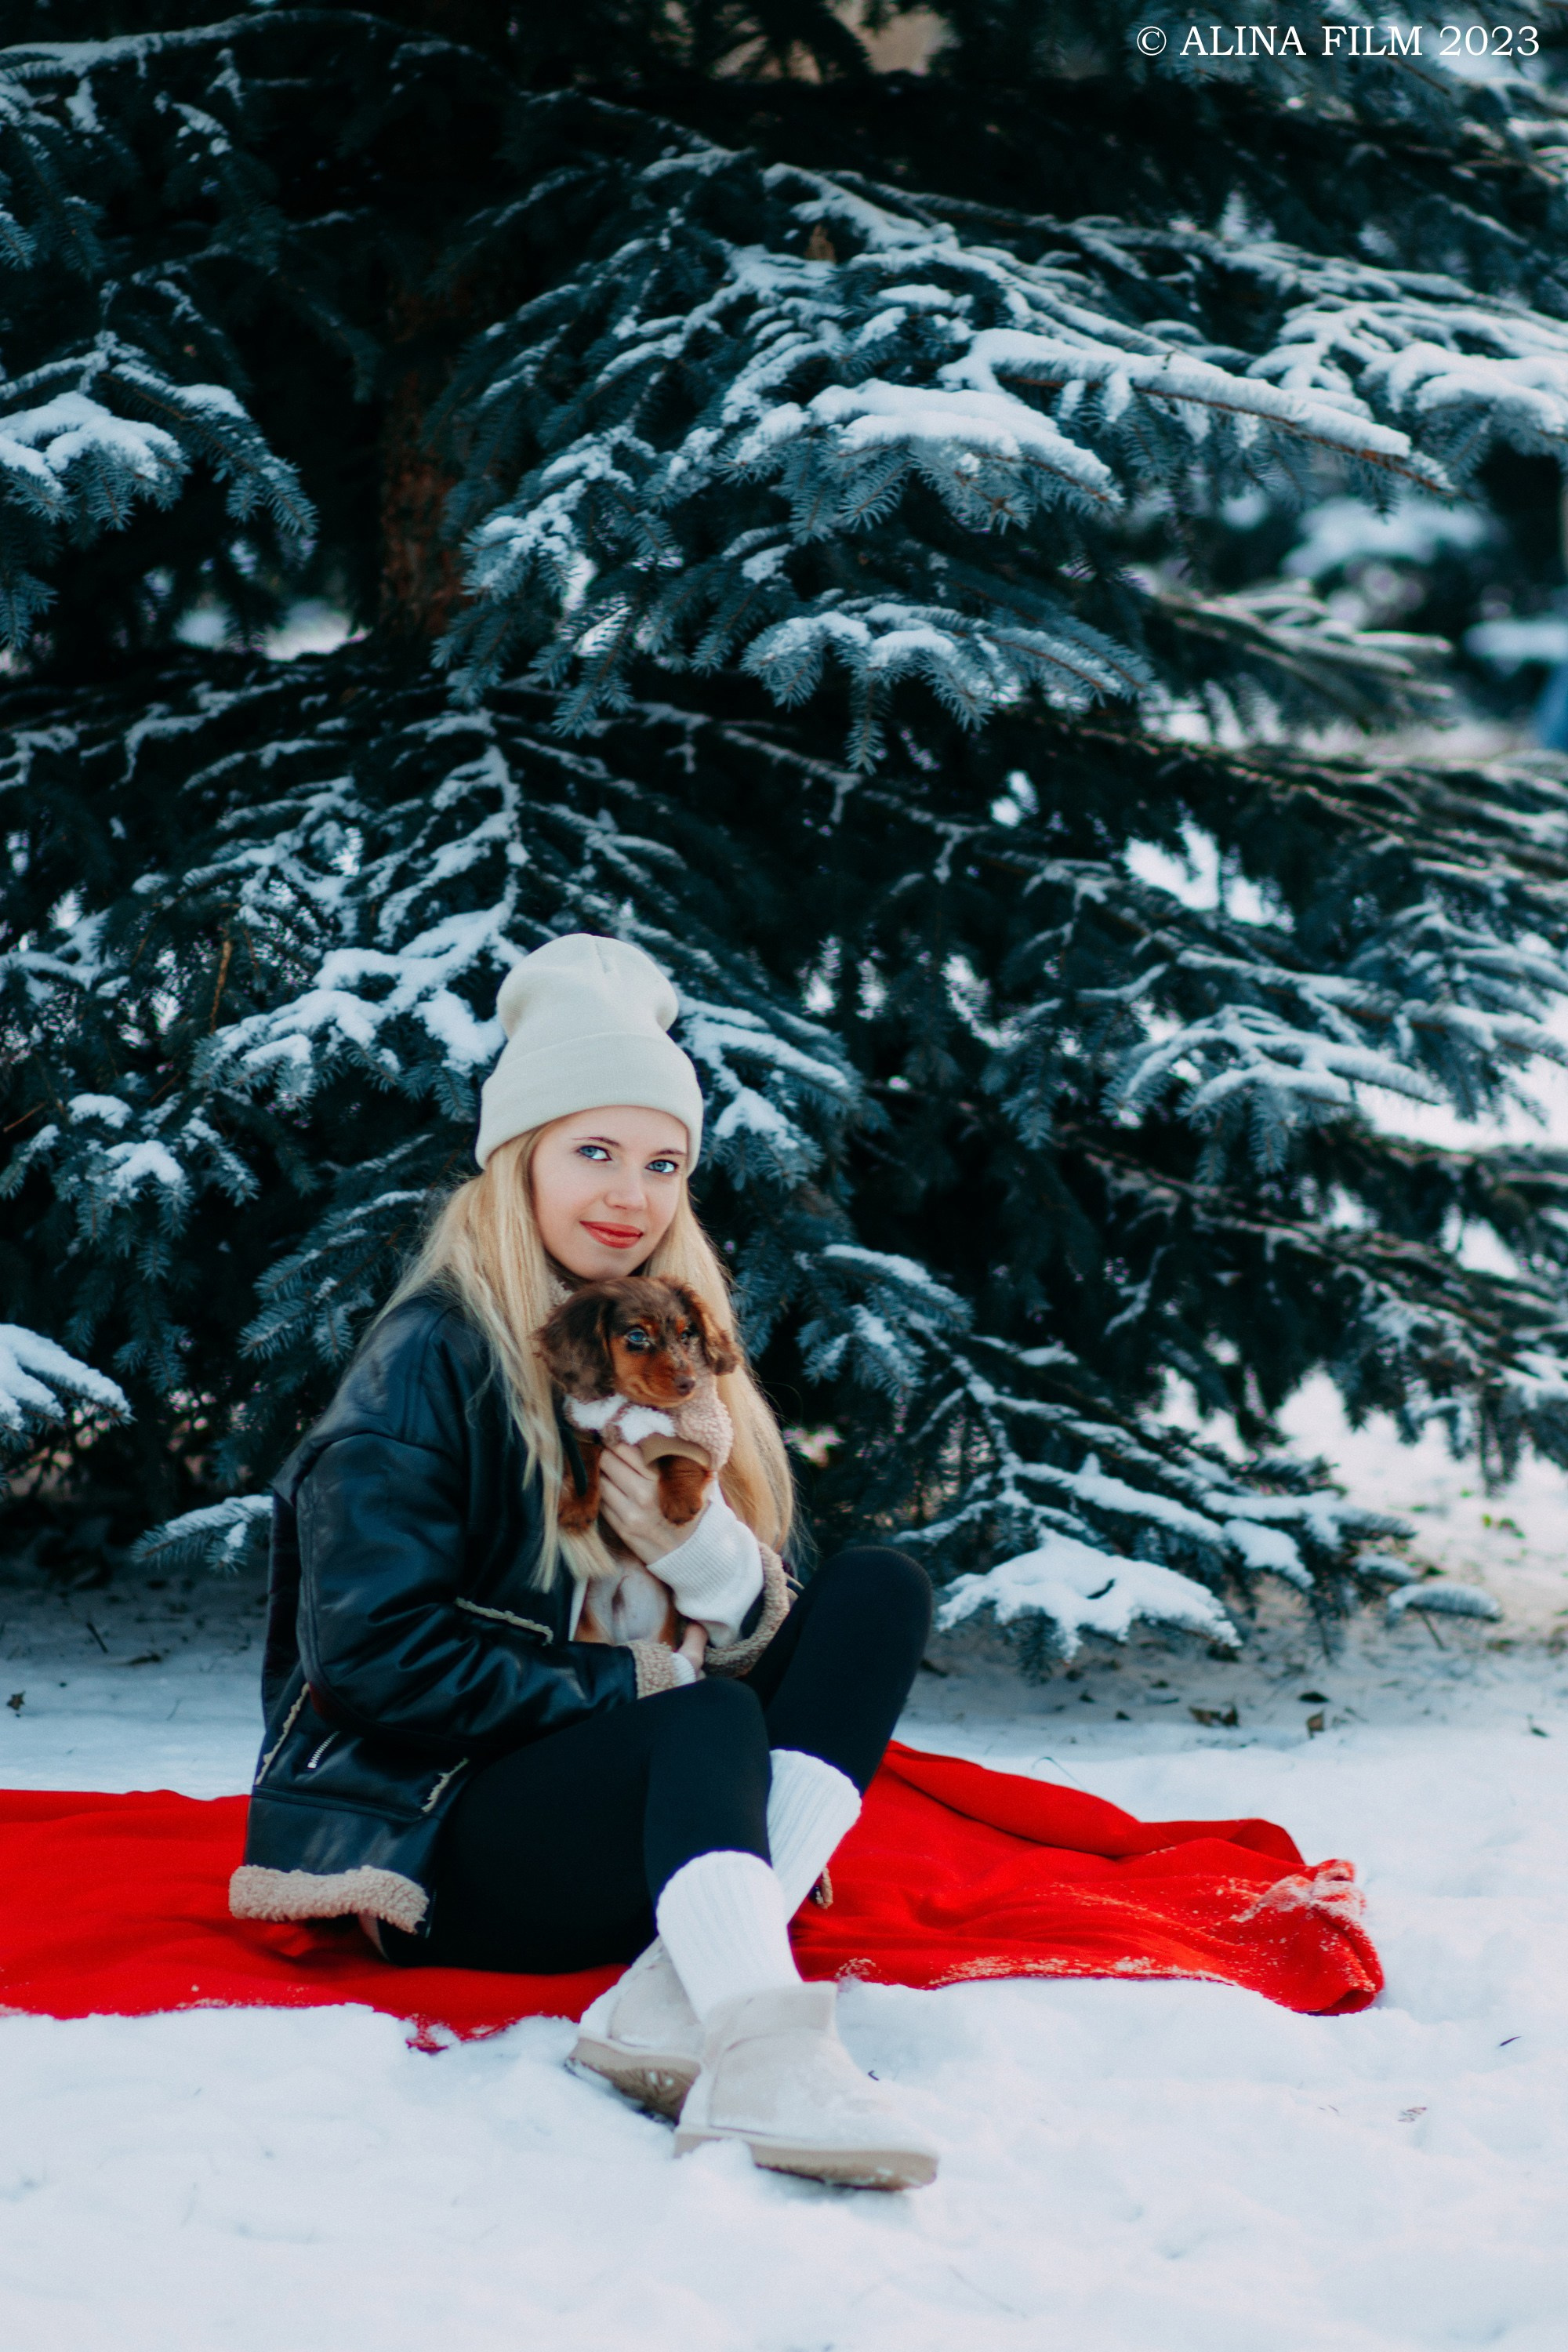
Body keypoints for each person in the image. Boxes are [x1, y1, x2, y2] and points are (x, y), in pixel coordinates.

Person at [231, 933, 938, 2190]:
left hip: (657, 1816)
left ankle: (681, 1978)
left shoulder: (661, 1342)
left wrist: (707, 1554)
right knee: (700, 1715)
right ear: (520, 1161)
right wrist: (633, 1691)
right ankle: (760, 2051)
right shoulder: (429, 1358)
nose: (632, 1194)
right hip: (455, 1834)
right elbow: (369, 1660)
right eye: (594, 1152)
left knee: (878, 1589)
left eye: (664, 1162)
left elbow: (750, 1642)